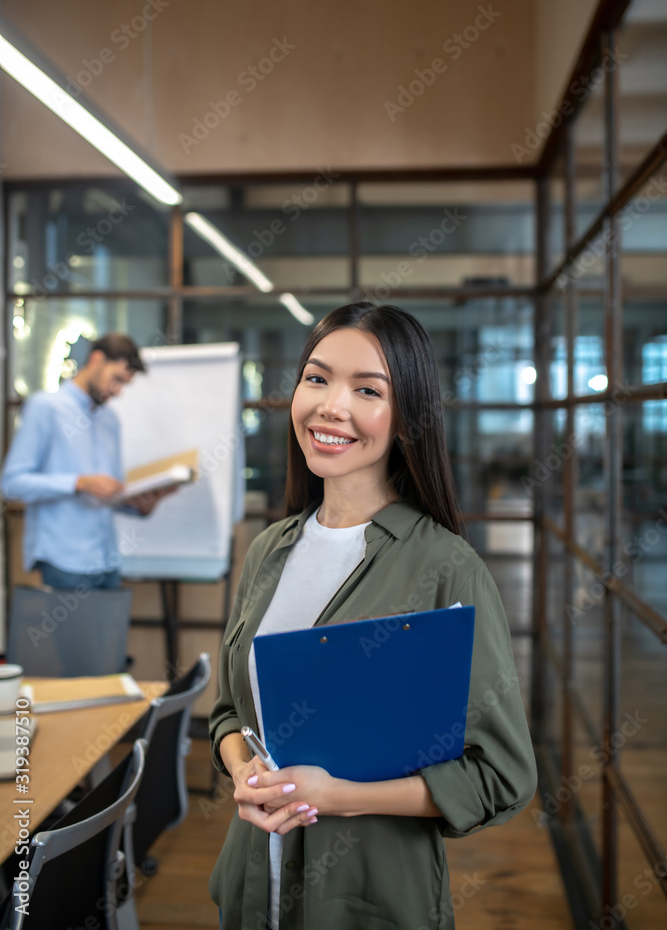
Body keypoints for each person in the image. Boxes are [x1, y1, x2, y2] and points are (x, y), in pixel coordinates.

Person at [209, 302, 537, 929]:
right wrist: (242, 770)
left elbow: (500, 775)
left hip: (370, 900)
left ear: (407, 418)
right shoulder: (267, 551)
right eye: (317, 378)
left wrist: (339, 798)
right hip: (252, 887)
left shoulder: (447, 568)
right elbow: (229, 711)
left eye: (367, 389)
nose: (331, 406)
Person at [1, 332, 173, 590]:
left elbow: (104, 493)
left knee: (109, 632)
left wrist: (140, 505)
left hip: (106, 559)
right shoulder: (45, 407)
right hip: (64, 560)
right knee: (73, 632)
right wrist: (78, 483)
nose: (117, 391)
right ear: (96, 359)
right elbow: (11, 484)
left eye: (124, 385)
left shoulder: (110, 420)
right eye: (116, 379)